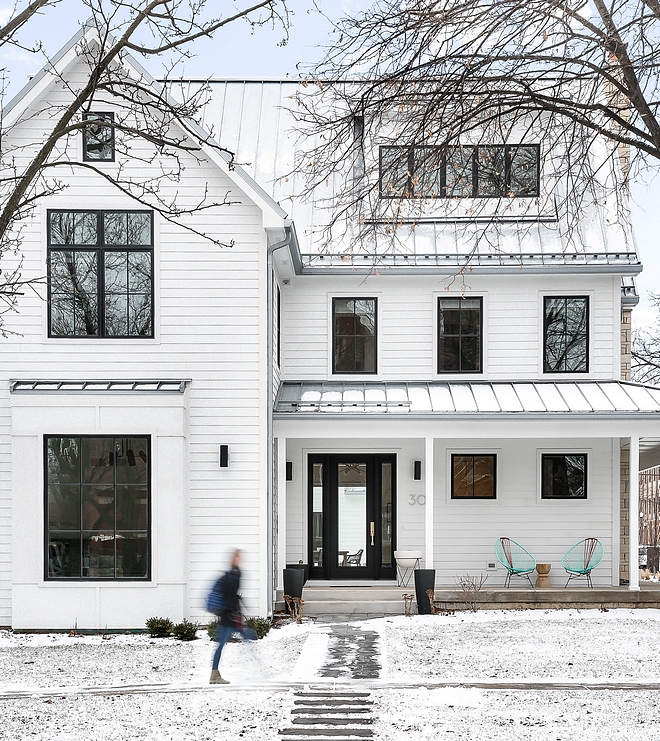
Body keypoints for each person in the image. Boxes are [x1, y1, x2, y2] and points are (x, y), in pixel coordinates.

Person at [210, 548, 255, 685]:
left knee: (245, 637)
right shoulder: (232, 576)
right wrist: (235, 614)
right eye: (238, 557)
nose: (240, 559)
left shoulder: (235, 574)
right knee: (223, 643)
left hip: (230, 614)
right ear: (234, 559)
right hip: (229, 616)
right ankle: (214, 674)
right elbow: (230, 597)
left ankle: (258, 668)